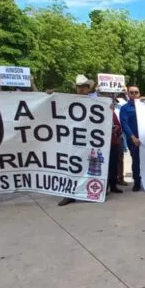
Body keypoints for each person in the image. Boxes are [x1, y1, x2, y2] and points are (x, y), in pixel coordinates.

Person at [58, 75, 96, 206]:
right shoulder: (68, 100)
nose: (81, 89)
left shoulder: (96, 102)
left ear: (88, 88)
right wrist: (48, 96)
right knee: (71, 167)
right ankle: (69, 195)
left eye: (83, 87)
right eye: (78, 87)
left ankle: (85, 193)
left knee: (88, 168)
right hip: (72, 141)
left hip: (89, 141)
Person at [120, 85, 143, 192]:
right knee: (136, 160)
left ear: (139, 93)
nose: (134, 94)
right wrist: (133, 137)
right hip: (133, 139)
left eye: (136, 92)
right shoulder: (125, 108)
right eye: (131, 92)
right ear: (128, 94)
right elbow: (124, 124)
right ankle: (137, 182)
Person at [108, 100, 124, 194]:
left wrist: (116, 129)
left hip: (113, 143)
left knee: (114, 165)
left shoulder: (113, 114)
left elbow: (118, 125)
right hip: (100, 145)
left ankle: (113, 185)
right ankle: (105, 187)